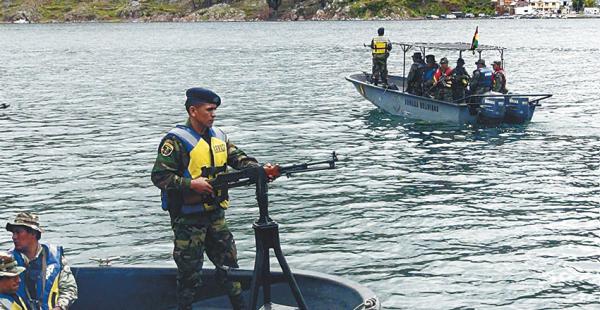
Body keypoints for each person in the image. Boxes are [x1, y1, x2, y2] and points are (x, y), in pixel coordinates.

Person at [151, 87, 280, 310]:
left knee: (230, 267)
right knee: (189, 274)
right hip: (188, 221)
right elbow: (160, 176)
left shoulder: (219, 137)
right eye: (209, 109)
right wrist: (192, 184)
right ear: (193, 110)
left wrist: (259, 170)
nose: (213, 114)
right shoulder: (176, 141)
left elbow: (239, 159)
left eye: (215, 110)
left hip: (215, 216)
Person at [6, 212, 78, 310]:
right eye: (13, 233)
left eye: (18, 232)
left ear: (33, 233)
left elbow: (69, 289)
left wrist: (59, 307)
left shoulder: (55, 256)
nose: (14, 237)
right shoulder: (7, 260)